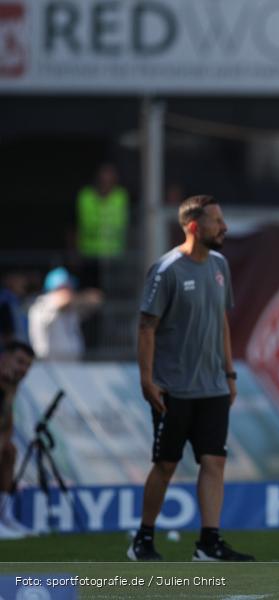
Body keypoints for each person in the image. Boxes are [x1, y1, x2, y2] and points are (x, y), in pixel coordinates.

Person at [128, 195, 253, 562]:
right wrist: (147, 380)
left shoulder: (219, 265)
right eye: (217, 221)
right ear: (195, 227)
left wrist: (229, 373)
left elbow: (222, 322)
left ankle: (209, 543)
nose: (224, 227)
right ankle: (143, 540)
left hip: (213, 386)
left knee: (214, 461)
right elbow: (146, 328)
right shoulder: (166, 270)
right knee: (166, 464)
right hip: (173, 388)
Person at [0, 341, 36, 539]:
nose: (23, 369)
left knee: (9, 451)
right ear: (4, 358)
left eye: (27, 365)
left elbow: (7, 422)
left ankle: (5, 515)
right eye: (19, 362)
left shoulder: (11, 384)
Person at [27, 268, 103, 360]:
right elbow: (62, 301)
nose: (70, 290)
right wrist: (77, 298)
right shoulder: (42, 304)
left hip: (71, 361)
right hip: (49, 362)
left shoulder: (71, 308)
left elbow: (96, 299)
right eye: (66, 287)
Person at [0, 271, 30, 346]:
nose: (24, 283)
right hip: (12, 348)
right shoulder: (5, 302)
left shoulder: (19, 301)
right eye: (19, 280)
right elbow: (6, 333)